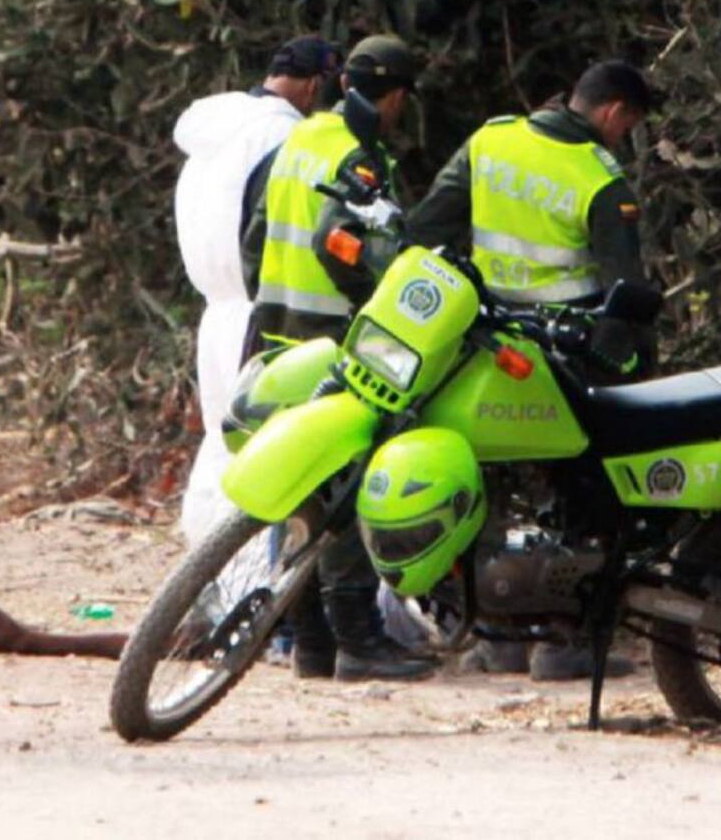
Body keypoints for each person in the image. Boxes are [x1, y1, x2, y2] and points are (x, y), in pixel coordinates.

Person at [404, 59, 656, 680]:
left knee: (485, 482)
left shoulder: (490, 142)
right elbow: (623, 289)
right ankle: (566, 644)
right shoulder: (599, 178)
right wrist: (625, 363)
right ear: (614, 113)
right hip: (561, 352)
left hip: (481, 342)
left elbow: (426, 228)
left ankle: (495, 637)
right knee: (586, 486)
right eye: (626, 127)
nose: (622, 138)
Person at [244, 34, 437, 683]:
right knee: (345, 489)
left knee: (301, 489)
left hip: (279, 337)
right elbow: (341, 242)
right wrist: (377, 308)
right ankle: (357, 639)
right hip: (335, 342)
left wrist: (267, 307)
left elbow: (254, 237)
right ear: (397, 97)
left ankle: (311, 642)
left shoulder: (301, 137)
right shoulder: (359, 154)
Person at [174, 36, 341, 549]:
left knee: (222, 445)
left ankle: (205, 578)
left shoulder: (215, 132)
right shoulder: (283, 138)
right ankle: (249, 582)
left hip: (215, 309)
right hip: (255, 309)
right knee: (264, 453)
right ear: (313, 87)